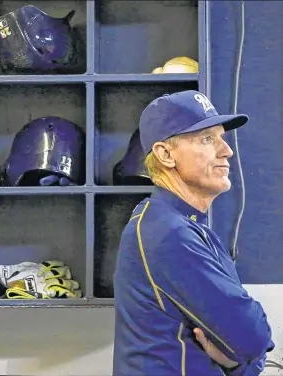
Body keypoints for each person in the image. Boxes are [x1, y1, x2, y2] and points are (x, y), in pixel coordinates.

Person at [112, 90, 275, 376]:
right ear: (165, 154)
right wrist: (240, 360)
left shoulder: (183, 224)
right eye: (206, 139)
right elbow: (254, 337)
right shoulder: (169, 233)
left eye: (221, 137)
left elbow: (248, 351)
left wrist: (237, 362)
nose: (226, 150)